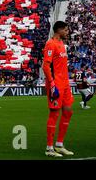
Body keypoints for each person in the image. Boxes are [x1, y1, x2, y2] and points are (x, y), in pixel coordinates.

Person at [42, 21, 74, 157]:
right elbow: (45, 66)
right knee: (54, 114)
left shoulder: (62, 44)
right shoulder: (51, 44)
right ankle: (49, 148)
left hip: (65, 84)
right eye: (66, 30)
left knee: (68, 112)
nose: (67, 32)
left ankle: (59, 145)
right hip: (56, 84)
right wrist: (52, 83)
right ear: (59, 30)